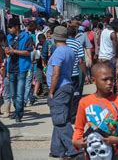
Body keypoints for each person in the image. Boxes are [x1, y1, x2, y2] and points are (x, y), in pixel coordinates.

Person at [73, 62, 118, 159]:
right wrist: (77, 141)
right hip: (93, 153)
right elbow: (78, 128)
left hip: (115, 154)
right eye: (105, 79)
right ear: (94, 80)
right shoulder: (84, 102)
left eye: (111, 79)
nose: (109, 82)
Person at [46, 26, 79, 158]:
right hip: (68, 85)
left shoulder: (59, 52)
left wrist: (51, 91)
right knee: (60, 118)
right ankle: (57, 150)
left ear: (55, 37)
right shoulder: (70, 51)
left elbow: (56, 73)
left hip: (60, 88)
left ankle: (75, 149)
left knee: (61, 121)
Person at [6, 17, 34, 122]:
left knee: (19, 93)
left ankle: (19, 113)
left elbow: (28, 52)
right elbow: (7, 49)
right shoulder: (9, 37)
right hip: (11, 67)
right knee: (13, 93)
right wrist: (7, 51)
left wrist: (14, 51)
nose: (9, 29)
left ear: (16, 27)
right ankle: (17, 110)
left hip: (22, 68)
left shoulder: (27, 37)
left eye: (10, 27)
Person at [67, 26, 90, 123]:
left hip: (64, 75)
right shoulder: (78, 44)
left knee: (66, 95)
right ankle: (73, 117)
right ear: (75, 34)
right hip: (75, 74)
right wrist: (86, 74)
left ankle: (66, 116)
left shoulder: (62, 44)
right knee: (75, 96)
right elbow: (81, 61)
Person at [33, 33, 47, 99]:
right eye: (40, 41)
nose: (41, 42)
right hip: (39, 64)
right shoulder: (38, 45)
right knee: (38, 78)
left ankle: (45, 91)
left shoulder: (47, 44)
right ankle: (35, 93)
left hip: (46, 64)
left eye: (42, 41)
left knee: (46, 78)